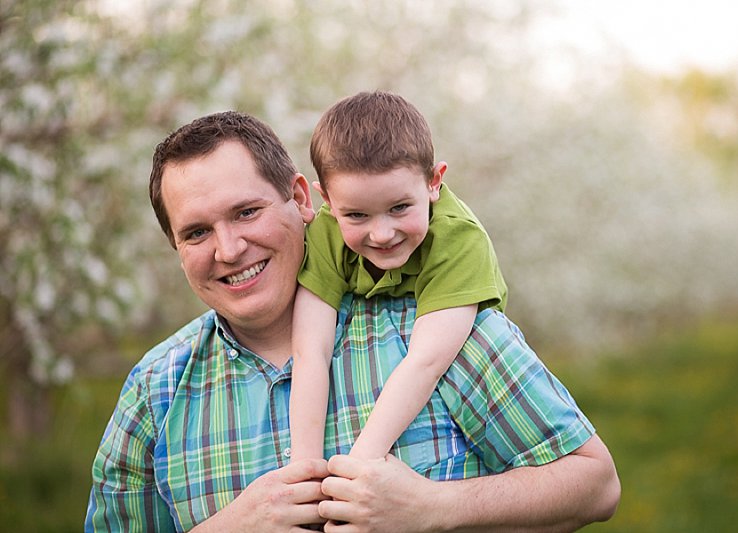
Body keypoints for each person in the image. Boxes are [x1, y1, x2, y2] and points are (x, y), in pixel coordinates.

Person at [85, 110, 620, 532]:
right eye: (197, 232)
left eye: (246, 212)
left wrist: (433, 508)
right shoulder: (154, 391)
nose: (229, 249)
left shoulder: (445, 331)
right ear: (176, 247)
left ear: (302, 199)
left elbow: (596, 486)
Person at [289, 91, 508, 462]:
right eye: (357, 215)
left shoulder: (458, 240)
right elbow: (310, 350)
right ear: (327, 199)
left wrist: (361, 463)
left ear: (433, 182)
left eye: (400, 208)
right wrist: (305, 465)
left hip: (464, 381)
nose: (382, 234)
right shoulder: (327, 231)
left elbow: (428, 361)